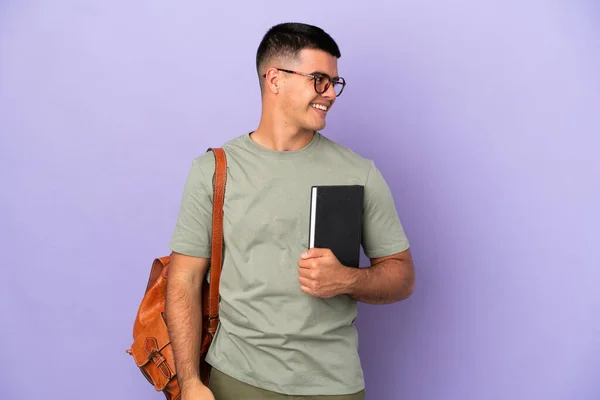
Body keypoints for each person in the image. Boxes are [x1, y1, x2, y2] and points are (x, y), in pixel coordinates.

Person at [165, 22, 415, 400]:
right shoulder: (214, 171)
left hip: (332, 387)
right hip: (235, 380)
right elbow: (183, 280)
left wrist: (347, 279)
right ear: (275, 79)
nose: (330, 94)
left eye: (334, 82)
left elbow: (402, 277)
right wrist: (189, 382)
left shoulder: (358, 172)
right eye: (319, 80)